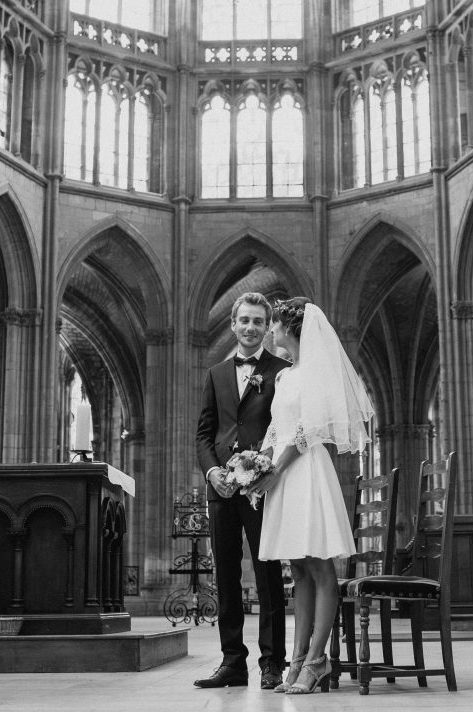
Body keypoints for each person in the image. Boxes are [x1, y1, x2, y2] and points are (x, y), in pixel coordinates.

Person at [251, 298, 374, 695]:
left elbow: (307, 430)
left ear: (289, 328)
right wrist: (257, 464)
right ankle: (299, 657)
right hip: (283, 472)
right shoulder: (285, 376)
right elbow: (276, 428)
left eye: (274, 325)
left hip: (305, 470)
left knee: (321, 569)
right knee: (299, 570)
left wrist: (276, 468)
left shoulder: (316, 372)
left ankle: (318, 659)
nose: (270, 331)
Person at [194, 291, 289, 689]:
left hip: (261, 487)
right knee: (227, 575)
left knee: (268, 575)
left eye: (257, 321)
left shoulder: (282, 371)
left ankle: (272, 663)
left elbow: (285, 428)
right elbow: (204, 433)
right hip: (221, 491)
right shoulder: (215, 374)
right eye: (244, 320)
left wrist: (260, 468)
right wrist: (212, 471)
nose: (250, 327)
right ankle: (232, 661)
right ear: (233, 325)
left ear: (267, 328)